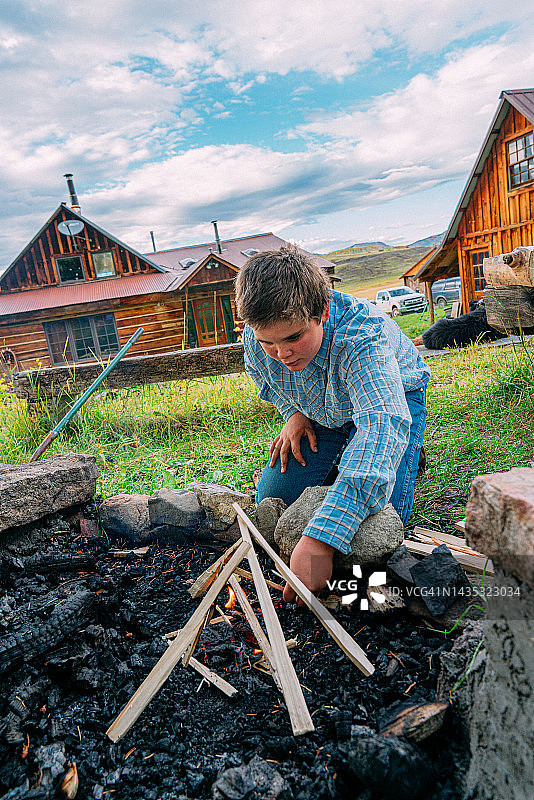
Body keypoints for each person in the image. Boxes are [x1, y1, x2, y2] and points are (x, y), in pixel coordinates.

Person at [235, 244, 430, 604]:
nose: (282, 353)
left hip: (393, 400)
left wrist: (322, 539)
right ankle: (348, 458)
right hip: (321, 411)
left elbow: (380, 424)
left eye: (294, 337)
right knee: (274, 499)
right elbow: (266, 379)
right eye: (268, 343)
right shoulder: (259, 336)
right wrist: (293, 413)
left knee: (378, 526)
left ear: (322, 312)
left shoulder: (362, 337)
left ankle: (407, 449)